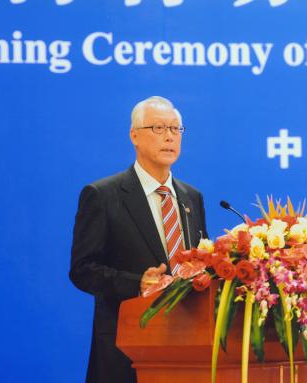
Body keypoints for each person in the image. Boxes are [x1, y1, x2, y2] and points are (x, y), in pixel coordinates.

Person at [69, 96, 208, 383]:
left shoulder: (191, 198)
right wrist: (137, 284)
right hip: (126, 351)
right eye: (158, 128)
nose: (169, 136)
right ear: (134, 135)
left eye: (175, 129)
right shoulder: (103, 195)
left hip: (188, 347)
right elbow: (82, 270)